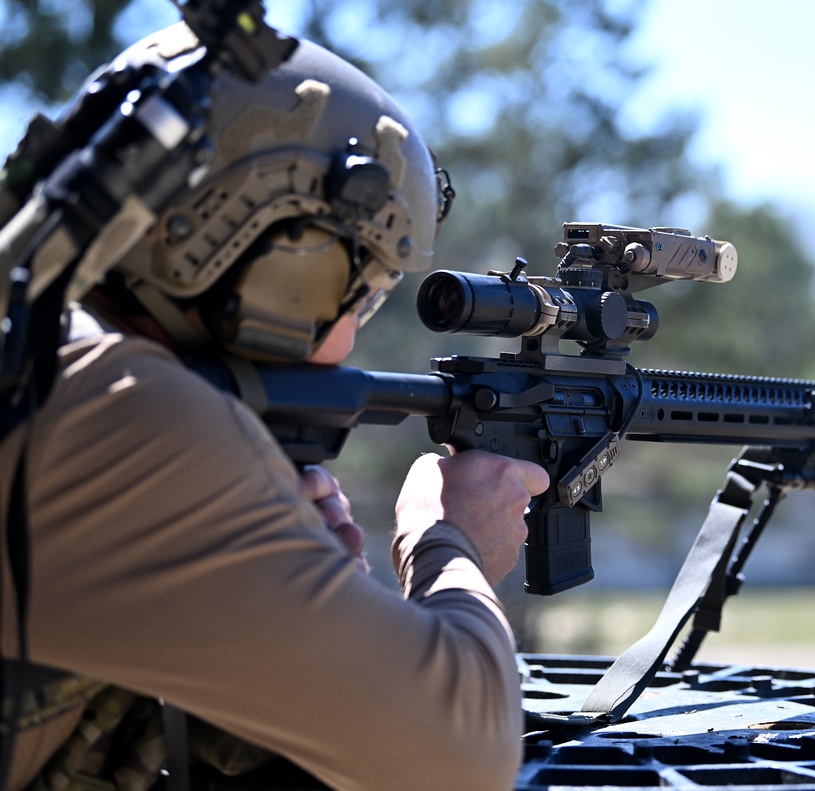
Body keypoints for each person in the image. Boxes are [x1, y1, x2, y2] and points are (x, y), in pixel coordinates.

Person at [0, 17, 548, 791]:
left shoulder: (46, 362)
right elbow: (458, 758)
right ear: (278, 264)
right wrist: (449, 543)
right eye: (359, 294)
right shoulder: (114, 408)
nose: (350, 340)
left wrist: (291, 571)